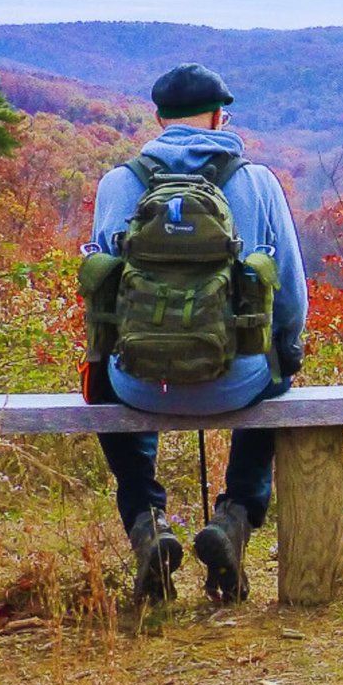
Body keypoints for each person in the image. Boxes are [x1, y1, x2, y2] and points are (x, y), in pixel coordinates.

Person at [87, 63, 307, 604]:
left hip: (140, 381)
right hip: (237, 380)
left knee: (104, 383)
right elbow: (293, 298)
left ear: (159, 118)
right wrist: (286, 352)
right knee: (277, 377)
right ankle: (233, 519)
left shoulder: (119, 183)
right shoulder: (256, 181)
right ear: (218, 117)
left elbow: (101, 293)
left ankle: (148, 524)